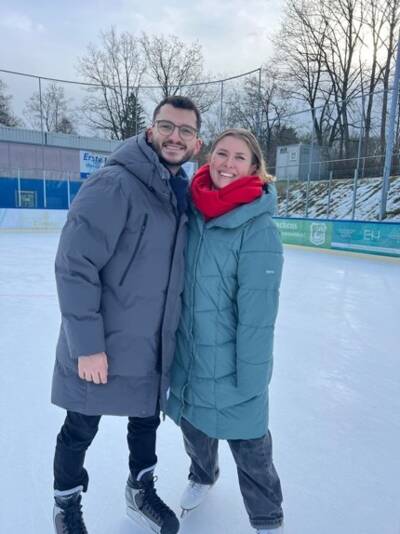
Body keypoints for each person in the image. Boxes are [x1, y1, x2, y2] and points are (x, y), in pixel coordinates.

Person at [51, 95, 202, 534]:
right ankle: (65, 504)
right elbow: (75, 264)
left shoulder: (177, 192)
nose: (175, 137)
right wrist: (87, 346)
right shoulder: (115, 183)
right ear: (151, 131)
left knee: (145, 420)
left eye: (186, 130)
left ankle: (140, 490)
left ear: (196, 143)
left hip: (151, 341)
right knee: (80, 425)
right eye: (167, 126)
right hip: (102, 342)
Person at [167, 128, 284, 533]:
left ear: (254, 168)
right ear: (209, 157)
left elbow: (258, 317)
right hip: (190, 355)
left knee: (250, 445)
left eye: (239, 157)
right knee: (194, 429)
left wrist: (251, 380)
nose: (228, 164)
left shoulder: (258, 229)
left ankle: (267, 519)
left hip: (234, 363)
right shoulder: (191, 210)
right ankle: (202, 475)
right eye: (222, 153)